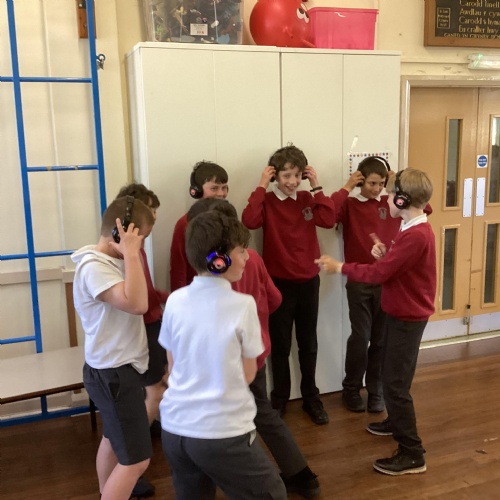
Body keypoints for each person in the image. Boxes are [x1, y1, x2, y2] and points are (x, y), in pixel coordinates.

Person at [187, 198, 321, 497]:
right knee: (261, 412)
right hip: (256, 351)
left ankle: (297, 475)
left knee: (254, 416)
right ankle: (299, 474)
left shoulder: (216, 273)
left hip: (234, 360)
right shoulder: (254, 258)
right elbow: (274, 299)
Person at [159, 210, 287, 499]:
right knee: (272, 494)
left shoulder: (175, 301)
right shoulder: (243, 305)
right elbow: (248, 374)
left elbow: (173, 366)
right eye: (241, 251)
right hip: (220, 432)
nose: (247, 258)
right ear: (220, 260)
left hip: (175, 429)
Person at [316, 168, 436, 476]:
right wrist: (387, 254)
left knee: (395, 385)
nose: (386, 198)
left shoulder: (416, 234)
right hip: (401, 313)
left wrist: (340, 266)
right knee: (393, 376)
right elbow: (396, 267)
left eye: (390, 193)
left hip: (408, 318)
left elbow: (378, 274)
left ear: (401, 199)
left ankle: (412, 453)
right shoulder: (410, 227)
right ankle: (395, 422)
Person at [242, 145, 336, 425]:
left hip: (309, 282)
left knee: (308, 343)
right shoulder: (268, 200)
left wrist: (317, 186)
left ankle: (311, 397)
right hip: (278, 284)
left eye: (297, 175)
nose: (292, 181)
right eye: (286, 176)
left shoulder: (307, 198)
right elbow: (249, 220)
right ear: (275, 176)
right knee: (280, 345)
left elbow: (328, 220)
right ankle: (280, 397)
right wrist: (261, 184)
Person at [72, 196, 155, 499]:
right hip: (113, 375)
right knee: (136, 462)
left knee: (111, 439)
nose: (142, 246)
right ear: (121, 233)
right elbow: (137, 304)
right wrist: (132, 254)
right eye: (141, 238)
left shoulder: (110, 263)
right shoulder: (94, 268)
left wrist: (130, 255)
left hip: (116, 371)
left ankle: (107, 491)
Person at [330, 156, 398, 414]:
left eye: (381, 183)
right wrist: (347, 186)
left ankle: (375, 390)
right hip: (359, 281)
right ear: (361, 180)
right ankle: (350, 388)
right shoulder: (350, 204)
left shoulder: (390, 202)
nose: (377, 189)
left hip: (386, 281)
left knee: (381, 339)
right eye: (371, 183)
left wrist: (397, 183)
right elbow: (328, 216)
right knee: (361, 337)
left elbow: (425, 208)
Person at [115, 183, 168, 498]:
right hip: (143, 328)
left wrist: (161, 295)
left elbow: (145, 290)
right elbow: (135, 297)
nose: (154, 216)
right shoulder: (126, 251)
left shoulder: (139, 246)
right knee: (155, 391)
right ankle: (131, 462)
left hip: (150, 324)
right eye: (149, 210)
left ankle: (138, 445)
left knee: (156, 387)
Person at [169, 160, 229, 292]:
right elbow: (178, 270)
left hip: (224, 292)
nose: (221, 193)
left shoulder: (229, 219)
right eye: (214, 188)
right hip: (196, 293)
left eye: (224, 188)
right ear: (196, 191)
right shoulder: (184, 224)